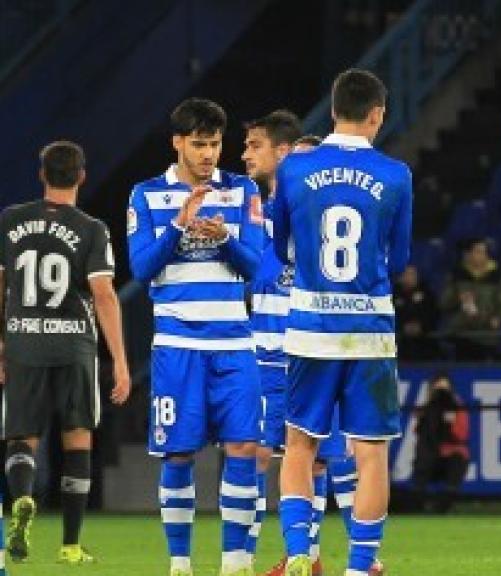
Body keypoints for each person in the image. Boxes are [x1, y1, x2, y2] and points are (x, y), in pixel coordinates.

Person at [272, 68, 412, 576]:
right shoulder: (396, 174)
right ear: (378, 113)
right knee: (371, 455)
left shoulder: (293, 169)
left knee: (300, 445)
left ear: (332, 111)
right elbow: (398, 260)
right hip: (371, 331)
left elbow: (278, 243)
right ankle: (359, 567)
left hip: (310, 327)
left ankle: (300, 553)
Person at [127, 98, 263, 576]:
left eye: (215, 144)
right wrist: (179, 226)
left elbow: (260, 266)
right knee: (179, 452)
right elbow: (142, 269)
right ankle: (180, 563)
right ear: (178, 143)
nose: (209, 154)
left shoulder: (242, 190)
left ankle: (233, 563)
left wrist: (226, 238)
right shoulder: (146, 194)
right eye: (199, 144)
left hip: (234, 344)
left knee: (244, 448)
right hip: (178, 345)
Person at [0, 141, 131, 565]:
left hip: (23, 339)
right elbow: (104, 294)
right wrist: (122, 362)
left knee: (22, 436)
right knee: (77, 439)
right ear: (81, 176)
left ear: (42, 174)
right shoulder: (91, 229)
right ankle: (71, 545)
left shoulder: (11, 220)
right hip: (74, 343)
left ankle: (22, 498)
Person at [241, 116, 356, 576]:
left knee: (322, 455)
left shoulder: (317, 220)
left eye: (254, 146)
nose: (246, 155)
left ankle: (342, 554)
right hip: (269, 350)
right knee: (267, 452)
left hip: (307, 349)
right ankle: (277, 556)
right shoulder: (260, 212)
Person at [441, 238, 501, 361]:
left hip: (486, 335)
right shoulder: (458, 274)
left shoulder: (496, 276)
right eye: (477, 251)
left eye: (483, 252)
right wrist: (458, 298)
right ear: (468, 254)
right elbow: (444, 304)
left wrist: (498, 318)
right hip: (461, 334)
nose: (481, 255)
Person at [411, 373, 469, 513]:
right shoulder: (424, 409)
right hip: (430, 456)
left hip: (450, 455)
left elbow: (461, 434)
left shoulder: (457, 408)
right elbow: (418, 431)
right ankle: (419, 503)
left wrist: (449, 419)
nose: (441, 394)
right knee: (422, 460)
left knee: (458, 459)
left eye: (444, 390)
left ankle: (446, 503)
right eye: (438, 390)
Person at [393, 264, 439, 361]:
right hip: (399, 339)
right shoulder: (393, 294)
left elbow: (434, 314)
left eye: (412, 274)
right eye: (405, 274)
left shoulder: (427, 293)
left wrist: (421, 326)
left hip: (424, 338)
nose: (408, 277)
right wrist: (402, 326)